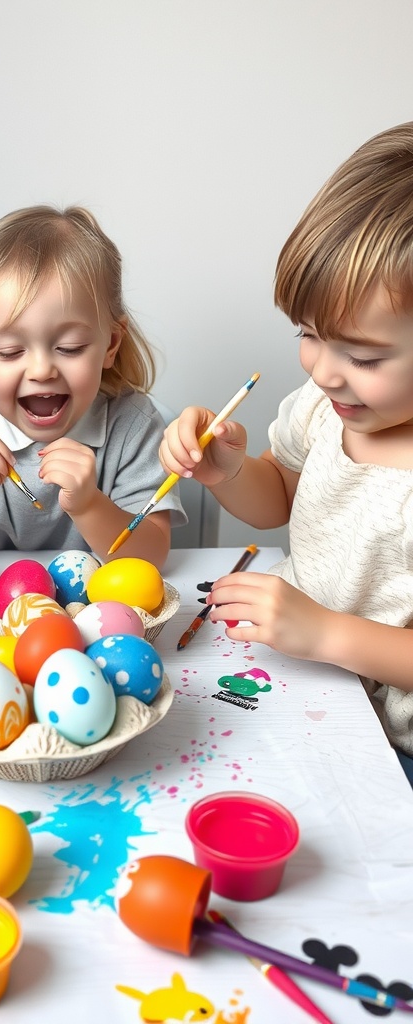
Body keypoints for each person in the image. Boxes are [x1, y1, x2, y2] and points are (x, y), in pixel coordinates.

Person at [158, 122, 413, 783]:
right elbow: (280, 499)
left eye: (361, 355)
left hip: (397, 747)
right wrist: (231, 472)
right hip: (309, 688)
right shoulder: (327, 406)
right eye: (310, 335)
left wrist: (328, 634)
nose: (325, 371)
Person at [0, 205, 185, 565]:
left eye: (69, 348)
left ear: (111, 344)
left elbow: (151, 555)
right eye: (9, 351)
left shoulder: (133, 424)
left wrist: (90, 505)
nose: (42, 370)